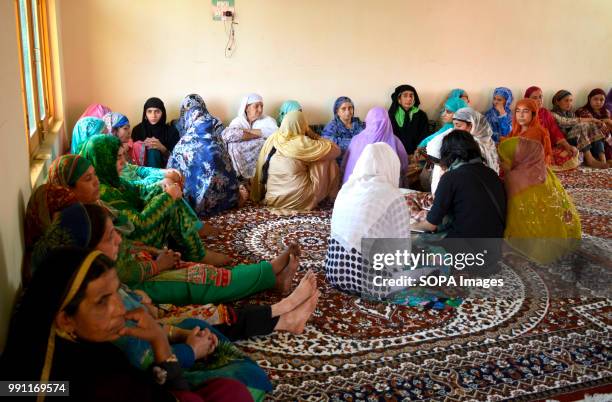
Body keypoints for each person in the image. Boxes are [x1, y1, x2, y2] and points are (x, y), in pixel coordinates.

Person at [0, 248, 255, 401]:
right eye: (102, 301)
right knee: (233, 393)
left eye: (116, 294)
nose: (120, 309)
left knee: (226, 390)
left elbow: (16, 389)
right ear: (65, 318)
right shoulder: (99, 386)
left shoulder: (36, 347)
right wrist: (161, 346)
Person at [33, 202, 303, 305]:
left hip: (147, 266)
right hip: (146, 281)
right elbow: (123, 273)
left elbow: (125, 245)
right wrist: (158, 265)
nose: (117, 237)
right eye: (109, 236)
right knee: (207, 279)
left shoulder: (88, 221)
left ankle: (273, 279)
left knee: (203, 271)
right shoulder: (94, 271)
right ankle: (268, 271)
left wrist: (152, 253)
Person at [79, 135, 228, 264]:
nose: (123, 162)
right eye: (117, 157)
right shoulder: (102, 191)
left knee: (164, 190)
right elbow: (139, 226)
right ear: (103, 160)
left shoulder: (109, 179)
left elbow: (137, 188)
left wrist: (160, 185)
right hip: (133, 240)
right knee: (170, 203)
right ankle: (196, 253)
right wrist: (167, 197)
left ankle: (188, 245)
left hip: (137, 227)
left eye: (123, 155)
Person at [326, 143, 411, 296]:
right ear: (391, 165)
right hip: (371, 284)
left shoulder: (345, 189)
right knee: (429, 267)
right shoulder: (393, 196)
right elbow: (402, 248)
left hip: (336, 273)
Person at [499, 137, 581, 264]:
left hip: (533, 237)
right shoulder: (545, 170)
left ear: (518, 157)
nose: (501, 161)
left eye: (505, 157)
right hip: (562, 230)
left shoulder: (514, 177)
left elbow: (512, 210)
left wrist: (507, 172)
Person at [413, 130, 506, 241]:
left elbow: (431, 224)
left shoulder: (451, 178)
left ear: (447, 153)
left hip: (468, 250)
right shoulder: (491, 173)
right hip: (495, 247)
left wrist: (410, 227)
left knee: (414, 243)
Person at [251, 111, 340, 210]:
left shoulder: (273, 138)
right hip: (299, 200)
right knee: (327, 158)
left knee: (315, 156)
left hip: (272, 198)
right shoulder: (303, 143)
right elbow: (336, 150)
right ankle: (332, 196)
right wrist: (315, 136)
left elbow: (261, 166)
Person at [168, 105, 244, 216]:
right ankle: (232, 200)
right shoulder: (217, 141)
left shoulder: (182, 144)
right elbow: (230, 171)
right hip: (223, 200)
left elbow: (171, 168)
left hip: (191, 203)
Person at [427, 107, 499, 194]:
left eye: (458, 125)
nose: (455, 129)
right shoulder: (464, 141)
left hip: (478, 188)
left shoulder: (476, 144)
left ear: (471, 126)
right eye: (454, 125)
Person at [341, 107, 408, 184]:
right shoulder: (395, 141)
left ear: (368, 121)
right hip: (387, 190)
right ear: (388, 121)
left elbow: (345, 165)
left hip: (354, 189)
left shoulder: (356, 140)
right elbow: (404, 166)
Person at [221, 93, 279, 179]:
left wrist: (246, 132)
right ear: (246, 108)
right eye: (256, 106)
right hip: (240, 162)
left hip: (260, 161)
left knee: (262, 142)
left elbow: (276, 133)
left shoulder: (267, 120)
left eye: (262, 106)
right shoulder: (238, 121)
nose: (260, 109)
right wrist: (258, 134)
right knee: (232, 145)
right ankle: (241, 179)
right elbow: (228, 134)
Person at [525, 86, 580, 170]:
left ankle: (546, 164)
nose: (539, 100)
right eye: (535, 98)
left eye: (540, 97)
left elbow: (555, 131)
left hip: (548, 148)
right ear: (527, 99)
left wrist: (568, 146)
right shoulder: (523, 112)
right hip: (531, 149)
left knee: (571, 152)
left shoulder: (545, 113)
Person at [551, 90, 609, 168]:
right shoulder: (552, 114)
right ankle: (590, 160)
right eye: (566, 100)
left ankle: (603, 159)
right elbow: (565, 122)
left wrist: (593, 122)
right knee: (582, 126)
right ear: (557, 102)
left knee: (591, 125)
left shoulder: (571, 113)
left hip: (575, 139)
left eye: (571, 101)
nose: (569, 103)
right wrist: (591, 119)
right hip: (563, 141)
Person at [131, 97, 180, 167]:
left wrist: (162, 148)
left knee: (153, 151)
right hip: (140, 169)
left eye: (157, 111)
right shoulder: (137, 130)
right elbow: (133, 155)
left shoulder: (171, 131)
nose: (153, 116)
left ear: (162, 113)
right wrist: (142, 146)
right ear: (145, 113)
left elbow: (177, 159)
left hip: (164, 170)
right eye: (149, 111)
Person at [507, 98, 553, 165]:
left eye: (525, 111)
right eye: (518, 111)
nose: (521, 115)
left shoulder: (536, 133)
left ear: (533, 114)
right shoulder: (517, 130)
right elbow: (508, 142)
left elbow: (526, 158)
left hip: (531, 169)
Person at [388, 85, 430, 155]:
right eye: (405, 96)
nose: (409, 99)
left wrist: (418, 150)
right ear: (399, 99)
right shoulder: (391, 115)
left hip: (416, 154)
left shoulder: (421, 115)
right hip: (395, 153)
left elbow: (424, 135)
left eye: (411, 96)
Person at [321, 96, 365, 161]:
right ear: (337, 111)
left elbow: (367, 137)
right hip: (342, 162)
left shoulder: (358, 123)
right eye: (343, 109)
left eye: (350, 108)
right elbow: (329, 146)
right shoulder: (331, 127)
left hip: (360, 158)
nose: (348, 112)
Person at [575, 88, 612, 165]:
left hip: (605, 140)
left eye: (602, 100)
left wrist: (608, 122)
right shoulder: (582, 110)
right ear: (589, 99)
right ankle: (603, 159)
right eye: (595, 99)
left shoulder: (606, 112)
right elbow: (593, 125)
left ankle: (607, 158)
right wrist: (606, 122)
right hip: (590, 142)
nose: (598, 102)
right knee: (597, 129)